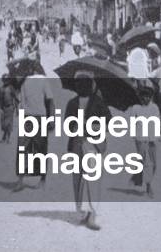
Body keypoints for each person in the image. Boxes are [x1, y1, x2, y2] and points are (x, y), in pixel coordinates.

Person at [66, 72, 110, 231]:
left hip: (93, 143)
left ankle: (92, 214)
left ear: (90, 84)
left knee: (92, 177)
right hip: (77, 142)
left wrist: (91, 125)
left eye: (84, 83)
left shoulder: (98, 102)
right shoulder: (72, 103)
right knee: (77, 178)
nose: (81, 86)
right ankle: (82, 212)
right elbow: (67, 125)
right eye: (78, 83)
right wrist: (76, 125)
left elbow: (108, 122)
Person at [13, 71, 56, 192]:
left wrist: (52, 118)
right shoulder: (24, 82)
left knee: (41, 148)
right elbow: (21, 102)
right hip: (26, 118)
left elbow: (50, 101)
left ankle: (42, 179)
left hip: (40, 118)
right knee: (22, 147)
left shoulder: (43, 80)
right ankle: (20, 180)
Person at [127, 81, 159, 198]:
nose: (145, 99)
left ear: (151, 97)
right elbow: (132, 123)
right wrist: (135, 136)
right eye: (143, 97)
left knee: (154, 163)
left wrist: (154, 138)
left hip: (152, 138)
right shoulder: (136, 108)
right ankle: (148, 186)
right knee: (145, 162)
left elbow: (157, 122)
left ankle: (137, 176)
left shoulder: (154, 108)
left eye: (148, 97)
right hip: (140, 138)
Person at [0, 74, 19, 143]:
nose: (6, 81)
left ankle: (7, 138)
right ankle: (4, 137)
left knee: (8, 123)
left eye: (7, 80)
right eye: (5, 80)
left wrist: (17, 109)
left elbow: (16, 99)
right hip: (3, 108)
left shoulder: (11, 88)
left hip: (10, 107)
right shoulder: (0, 89)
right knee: (3, 123)